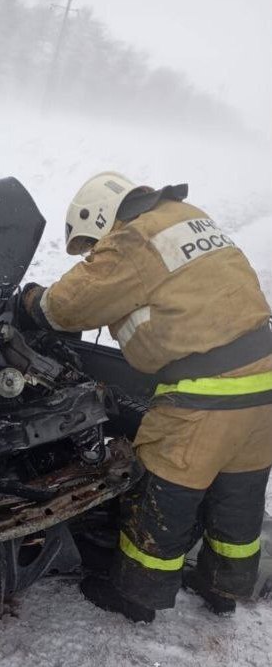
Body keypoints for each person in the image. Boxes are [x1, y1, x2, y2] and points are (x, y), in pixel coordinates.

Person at [21, 171, 272, 622]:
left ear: (98, 215)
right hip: (264, 383)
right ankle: (223, 589)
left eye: (90, 245)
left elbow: (67, 306)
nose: (94, 254)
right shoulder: (187, 217)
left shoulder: (133, 239)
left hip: (205, 394)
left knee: (162, 494)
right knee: (239, 496)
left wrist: (30, 304)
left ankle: (136, 596)